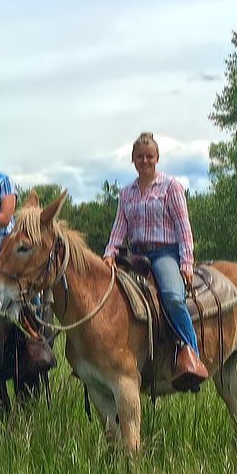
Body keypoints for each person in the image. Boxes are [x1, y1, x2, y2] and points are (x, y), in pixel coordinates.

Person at [102, 132, 208, 391]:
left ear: (157, 158)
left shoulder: (171, 186)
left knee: (172, 296)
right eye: (140, 157)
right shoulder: (126, 192)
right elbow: (120, 226)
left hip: (164, 252)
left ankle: (191, 354)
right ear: (133, 160)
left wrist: (186, 262)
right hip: (135, 254)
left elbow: (183, 227)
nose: (145, 161)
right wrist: (109, 253)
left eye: (150, 156)